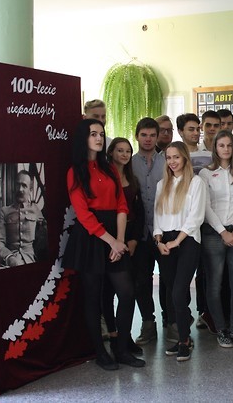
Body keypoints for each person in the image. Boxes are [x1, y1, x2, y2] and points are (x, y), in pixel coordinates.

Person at [63, 119, 145, 370]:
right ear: (84, 138)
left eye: (101, 134)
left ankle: (121, 350)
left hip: (115, 234)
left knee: (127, 293)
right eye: (93, 134)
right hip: (91, 238)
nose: (99, 138)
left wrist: (119, 241)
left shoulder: (109, 169)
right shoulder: (75, 172)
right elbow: (83, 214)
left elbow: (122, 205)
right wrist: (111, 241)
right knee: (93, 298)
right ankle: (100, 352)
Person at [154, 142, 206, 361]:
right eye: (168, 158)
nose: (172, 161)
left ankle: (184, 341)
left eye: (176, 157)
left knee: (178, 292)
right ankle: (182, 338)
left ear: (185, 158)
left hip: (187, 240)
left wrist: (177, 241)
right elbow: (157, 215)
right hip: (165, 242)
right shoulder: (162, 185)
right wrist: (159, 240)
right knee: (172, 294)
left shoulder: (196, 182)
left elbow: (196, 217)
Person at [199, 130, 233, 349]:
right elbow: (206, 207)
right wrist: (223, 232)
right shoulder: (206, 173)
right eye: (222, 145)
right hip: (213, 235)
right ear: (215, 148)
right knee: (214, 286)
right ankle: (221, 329)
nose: (226, 149)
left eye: (229, 145)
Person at [104, 138, 144, 355]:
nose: (124, 154)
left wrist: (134, 239)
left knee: (129, 290)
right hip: (110, 236)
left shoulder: (133, 179)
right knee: (109, 291)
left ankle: (125, 337)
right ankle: (113, 335)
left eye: (128, 151)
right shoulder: (105, 178)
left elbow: (139, 212)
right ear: (111, 152)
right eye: (120, 150)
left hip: (130, 237)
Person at [176, 113, 215, 332]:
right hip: (182, 222)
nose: (195, 133)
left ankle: (205, 312)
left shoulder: (208, 155)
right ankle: (181, 317)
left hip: (206, 219)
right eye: (190, 129)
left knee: (205, 270)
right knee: (181, 275)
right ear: (180, 131)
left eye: (197, 129)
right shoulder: (173, 156)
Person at [131, 117, 167, 345]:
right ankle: (148, 323)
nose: (148, 139)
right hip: (140, 234)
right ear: (137, 136)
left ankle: (171, 322)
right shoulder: (129, 162)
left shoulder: (168, 161)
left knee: (168, 280)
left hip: (164, 232)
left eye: (152, 135)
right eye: (144, 135)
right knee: (141, 281)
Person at [0, 170, 47, 268]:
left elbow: (44, 237)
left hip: (31, 260)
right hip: (9, 262)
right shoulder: (4, 211)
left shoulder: (35, 210)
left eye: (24, 186)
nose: (20, 189)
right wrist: (9, 257)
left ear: (30, 190)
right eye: (18, 185)